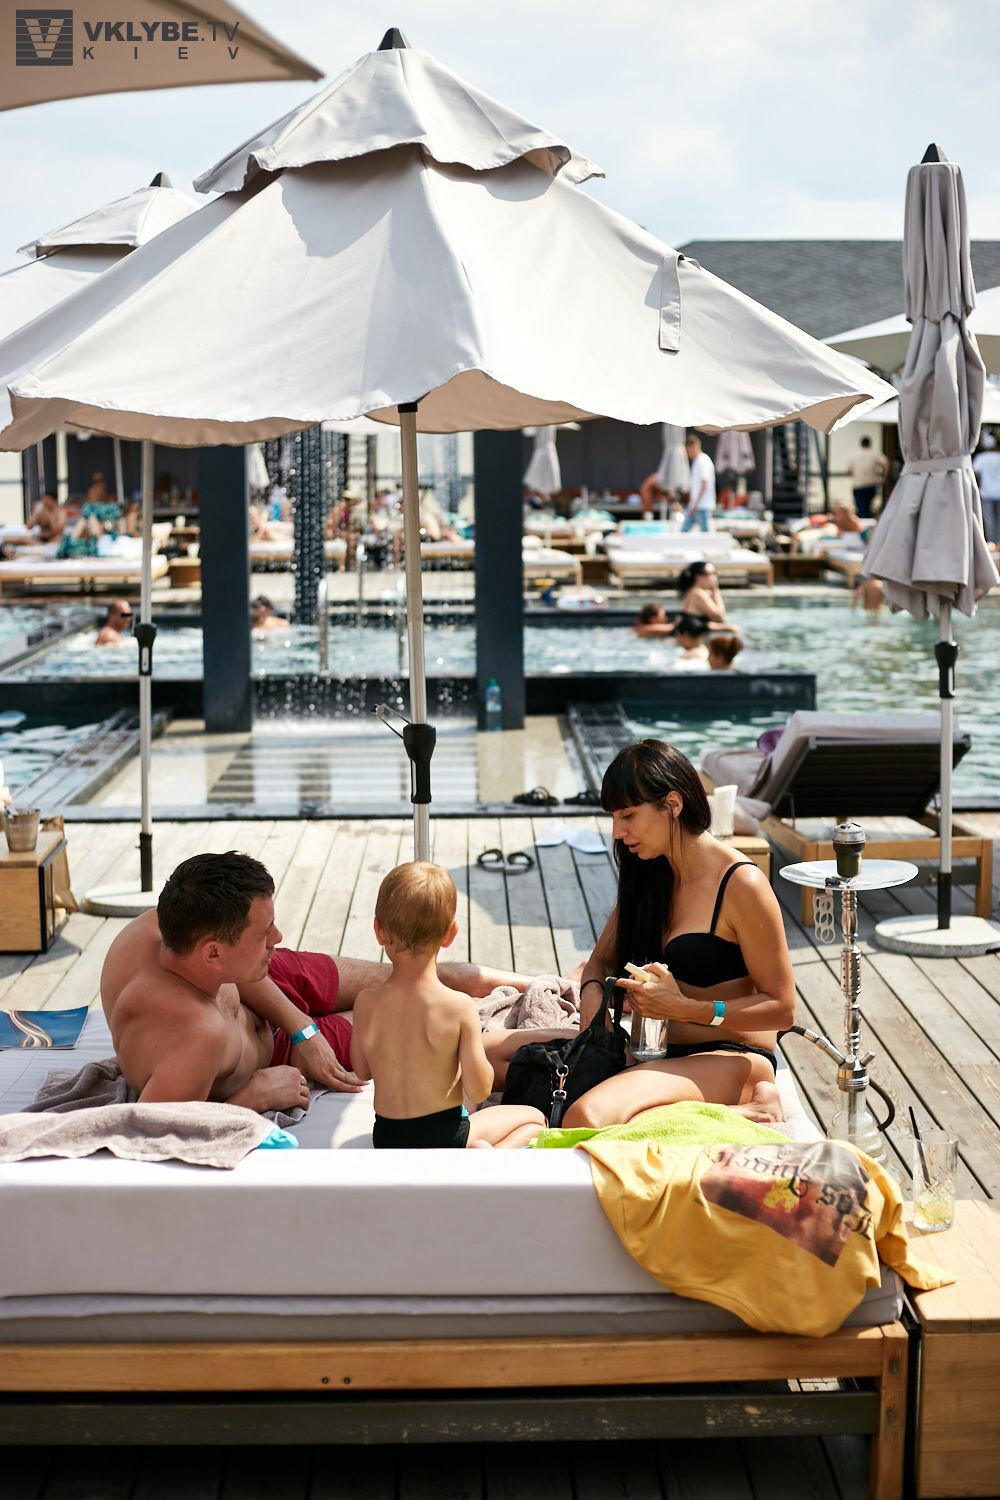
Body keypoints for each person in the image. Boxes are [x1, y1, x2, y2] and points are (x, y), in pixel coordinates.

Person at [100, 851, 534, 1108]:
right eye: (264, 933)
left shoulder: (164, 922)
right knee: (429, 1030)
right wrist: (252, 1098)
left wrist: (301, 1026)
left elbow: (230, 964)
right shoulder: (193, 1037)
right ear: (214, 951)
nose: (278, 937)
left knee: (420, 970)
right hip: (278, 1053)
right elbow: (152, 1137)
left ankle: (543, 982)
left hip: (263, 980)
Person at [562, 740, 794, 1130]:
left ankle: (754, 1107)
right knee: (494, 1055)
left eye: (628, 815)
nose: (617, 832)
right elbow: (599, 962)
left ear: (672, 804)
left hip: (730, 1054)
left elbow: (782, 1009)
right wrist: (592, 998)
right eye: (614, 818)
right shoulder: (651, 873)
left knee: (586, 1116)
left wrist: (685, 1008)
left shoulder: (741, 885)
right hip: (653, 1045)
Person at [350, 862, 547, 1149]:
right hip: (446, 1137)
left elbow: (362, 1071)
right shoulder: (458, 1006)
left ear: (378, 930)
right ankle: (482, 1157)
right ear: (450, 934)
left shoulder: (365, 1003)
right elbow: (479, 1089)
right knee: (535, 1120)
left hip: (387, 1139)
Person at [846, 436, 888, 520]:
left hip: (858, 485)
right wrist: (884, 478)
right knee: (867, 508)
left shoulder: (854, 454)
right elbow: (886, 463)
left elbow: (848, 471)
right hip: (871, 485)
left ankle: (864, 524)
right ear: (870, 444)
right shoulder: (874, 454)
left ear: (861, 444)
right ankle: (867, 523)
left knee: (861, 509)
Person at [681, 434, 716, 533]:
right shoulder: (697, 461)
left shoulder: (703, 461)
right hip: (697, 506)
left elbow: (705, 484)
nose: (688, 454)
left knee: (705, 535)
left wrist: (695, 504)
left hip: (702, 506)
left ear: (693, 447)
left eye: (688, 450)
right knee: (684, 532)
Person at [676, 560, 727, 625]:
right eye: (712, 573)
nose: (715, 577)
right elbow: (719, 617)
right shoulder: (698, 593)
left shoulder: (691, 591)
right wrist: (716, 590)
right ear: (698, 577)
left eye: (715, 573)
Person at [973, 430, 1000, 546]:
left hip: (987, 493)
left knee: (989, 521)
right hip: (998, 492)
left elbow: (975, 472)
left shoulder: (981, 458)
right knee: (998, 520)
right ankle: (998, 543)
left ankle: (991, 544)